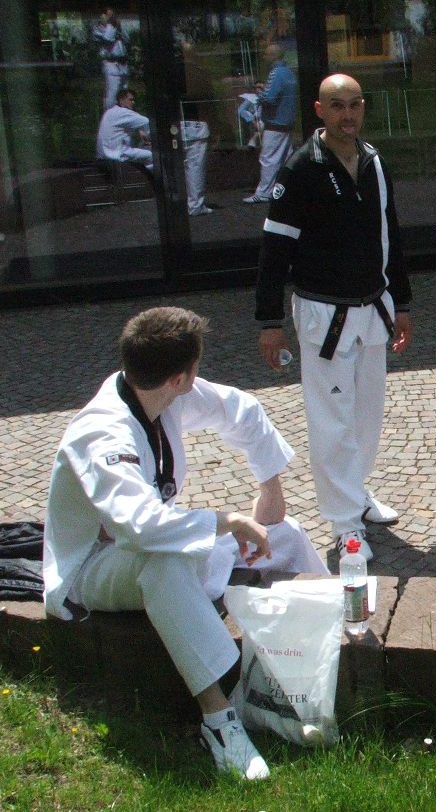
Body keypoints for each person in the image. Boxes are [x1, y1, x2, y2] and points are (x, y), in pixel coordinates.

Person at [43, 307, 329, 779]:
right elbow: (139, 526)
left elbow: (240, 408)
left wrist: (270, 489)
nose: (199, 377)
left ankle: (335, 643)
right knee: (166, 564)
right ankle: (220, 719)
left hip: (160, 543)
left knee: (285, 534)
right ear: (180, 377)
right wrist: (228, 521)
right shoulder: (102, 433)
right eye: (197, 367)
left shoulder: (163, 393)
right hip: (96, 567)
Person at [255, 73, 413, 563]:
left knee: (367, 414)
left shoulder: (374, 162)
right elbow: (275, 248)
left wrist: (403, 303)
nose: (348, 115)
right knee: (331, 420)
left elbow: (390, 236)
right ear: (319, 111)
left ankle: (356, 492)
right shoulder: (300, 169)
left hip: (373, 307)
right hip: (324, 313)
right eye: (337, 105)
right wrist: (269, 321)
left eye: (355, 104)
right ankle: (345, 524)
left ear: (363, 107)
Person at [94, 89, 213, 216]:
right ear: (121, 100)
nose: (133, 102)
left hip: (106, 152)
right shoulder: (124, 113)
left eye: (134, 100)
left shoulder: (111, 112)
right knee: (155, 157)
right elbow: (151, 125)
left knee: (148, 151)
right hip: (116, 152)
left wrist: (142, 132)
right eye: (130, 99)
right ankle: (165, 186)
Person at [243, 43, 297, 204]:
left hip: (275, 122)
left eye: (266, 54)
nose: (264, 57)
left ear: (274, 56)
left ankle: (264, 192)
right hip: (287, 122)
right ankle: (285, 189)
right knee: (285, 159)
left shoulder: (276, 73)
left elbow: (269, 98)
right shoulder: (290, 73)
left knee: (268, 159)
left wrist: (258, 96)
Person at [94, 8, 128, 111]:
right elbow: (108, 39)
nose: (111, 17)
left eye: (112, 15)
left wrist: (119, 28)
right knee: (113, 93)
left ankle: (123, 114)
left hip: (122, 64)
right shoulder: (98, 29)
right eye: (108, 15)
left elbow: (127, 39)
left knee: (124, 92)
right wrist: (111, 25)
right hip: (111, 64)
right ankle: (109, 115)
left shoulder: (118, 26)